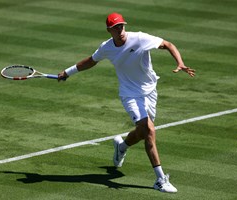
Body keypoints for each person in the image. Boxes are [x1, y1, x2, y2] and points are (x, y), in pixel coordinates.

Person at [58, 12, 195, 193]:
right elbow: (91, 61)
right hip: (130, 94)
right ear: (109, 30)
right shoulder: (106, 47)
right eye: (115, 27)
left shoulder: (139, 38)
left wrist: (180, 62)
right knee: (149, 130)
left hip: (150, 91)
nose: (120, 30)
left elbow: (168, 44)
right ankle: (160, 179)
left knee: (142, 132)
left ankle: (121, 147)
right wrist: (68, 72)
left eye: (121, 26)